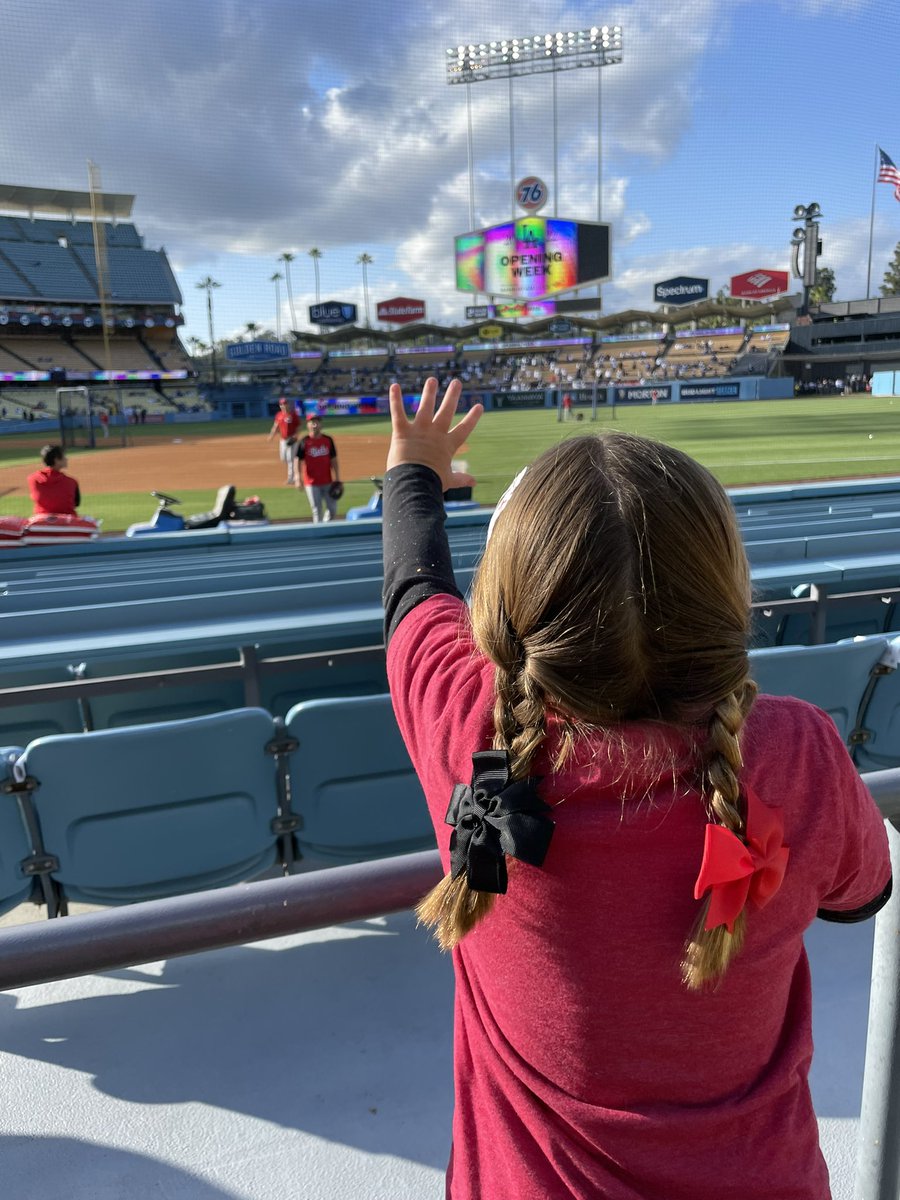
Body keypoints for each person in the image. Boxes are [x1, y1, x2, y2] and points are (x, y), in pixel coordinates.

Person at [380, 377, 891, 1200]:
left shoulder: (466, 724)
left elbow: (413, 592)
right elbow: (861, 895)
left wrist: (416, 470)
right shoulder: (797, 752)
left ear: (508, 618)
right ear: (724, 601)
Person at [295, 412, 340, 522]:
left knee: (332, 509)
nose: (315, 424)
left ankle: (325, 527)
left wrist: (337, 478)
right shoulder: (304, 441)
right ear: (308, 425)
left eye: (317, 422)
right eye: (312, 422)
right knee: (316, 510)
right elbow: (297, 460)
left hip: (327, 481)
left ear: (321, 424)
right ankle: (320, 533)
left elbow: (333, 460)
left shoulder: (328, 440)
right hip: (311, 482)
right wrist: (297, 477)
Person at [27, 445, 81, 516]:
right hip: (67, 522)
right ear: (56, 460)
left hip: (41, 521)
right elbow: (76, 503)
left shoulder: (32, 479)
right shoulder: (71, 482)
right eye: (63, 457)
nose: (66, 459)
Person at [267, 396, 301, 484]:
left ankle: (291, 478)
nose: (283, 405)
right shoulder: (279, 415)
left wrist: (296, 436)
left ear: (288, 404)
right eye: (281, 404)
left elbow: (298, 427)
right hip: (283, 440)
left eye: (285, 403)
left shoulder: (293, 414)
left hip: (292, 439)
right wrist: (271, 436)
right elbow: (275, 426)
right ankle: (294, 474)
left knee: (290, 459)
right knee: (283, 458)